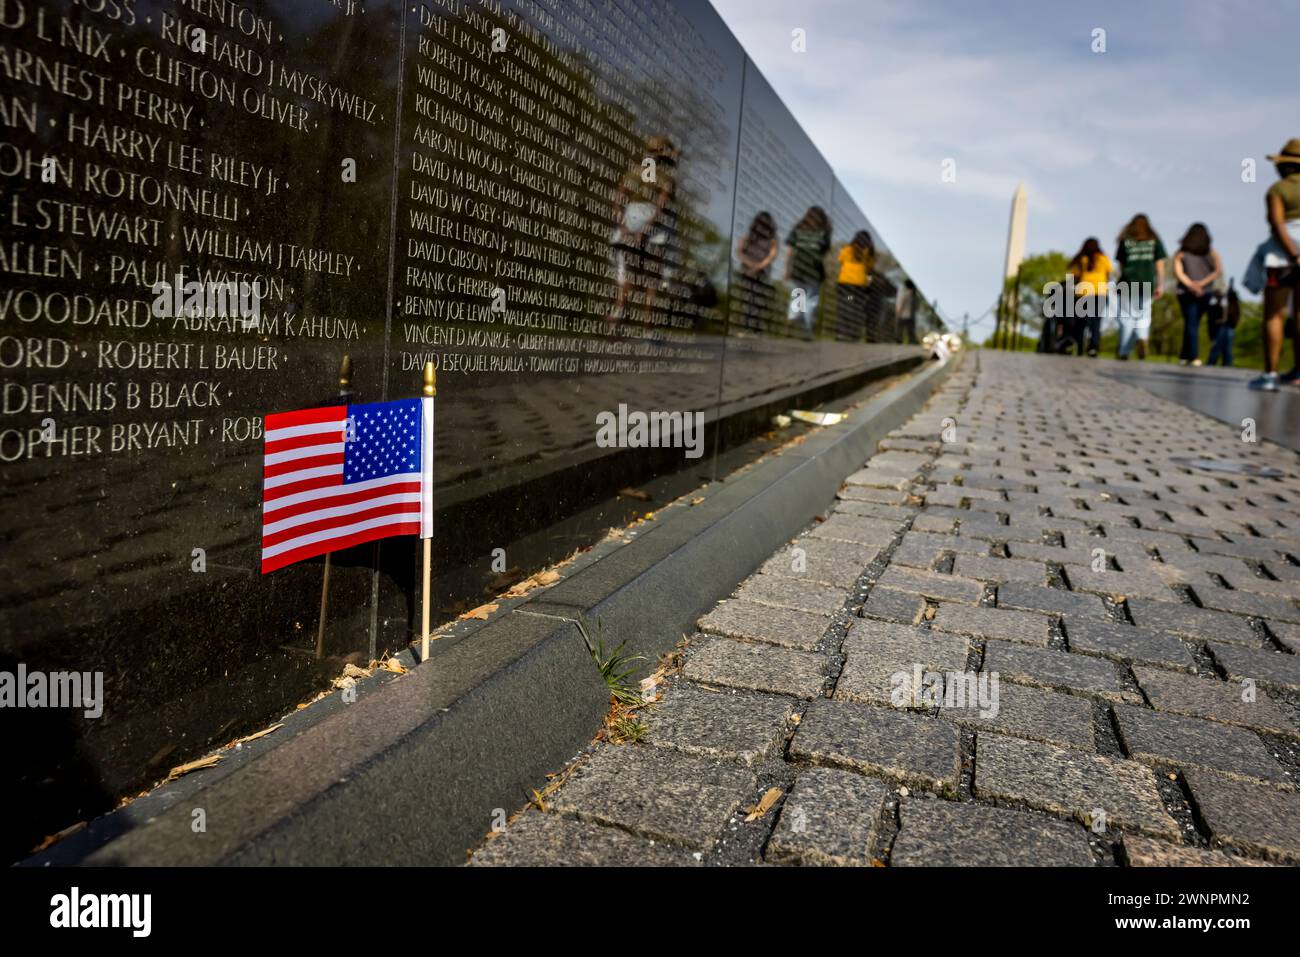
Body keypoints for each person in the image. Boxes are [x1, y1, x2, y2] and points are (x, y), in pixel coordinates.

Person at [1248, 139, 1300, 391]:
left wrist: (1294, 255)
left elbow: (1277, 224)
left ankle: (1270, 374)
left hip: (1282, 258)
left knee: (1274, 315)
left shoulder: (1277, 190)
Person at [608, 135, 676, 323]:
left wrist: (623, 225)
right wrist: (648, 226)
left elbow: (617, 201)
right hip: (656, 224)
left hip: (631, 218)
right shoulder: (666, 177)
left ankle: (619, 311)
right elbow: (662, 204)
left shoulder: (634, 172)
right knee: (653, 275)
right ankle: (648, 321)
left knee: (629, 270)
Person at [1113, 214, 1167, 360]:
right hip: (1147, 282)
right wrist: (1161, 285)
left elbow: (1121, 265)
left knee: (1126, 317)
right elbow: (1160, 265)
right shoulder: (1154, 241)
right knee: (1143, 314)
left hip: (1127, 282)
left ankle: (1124, 351)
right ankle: (1142, 337)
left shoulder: (1125, 242)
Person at [1172, 223, 1223, 367]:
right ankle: (1192, 355)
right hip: (1204, 292)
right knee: (1193, 322)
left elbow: (1178, 272)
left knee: (1190, 322)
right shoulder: (1212, 252)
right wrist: (1201, 284)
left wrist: (1190, 284)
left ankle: (1187, 355)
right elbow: (1217, 271)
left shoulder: (1181, 252)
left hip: (1185, 292)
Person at [783, 206, 831, 340]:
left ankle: (792, 317)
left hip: (798, 268)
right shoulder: (823, 233)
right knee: (811, 301)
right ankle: (807, 332)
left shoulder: (798, 230)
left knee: (798, 296)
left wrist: (786, 269)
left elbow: (789, 251)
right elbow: (824, 253)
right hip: (814, 270)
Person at [734, 211, 779, 333]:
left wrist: (755, 265)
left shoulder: (770, 239)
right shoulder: (749, 237)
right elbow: (739, 251)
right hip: (752, 271)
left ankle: (752, 327)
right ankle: (749, 327)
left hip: (758, 271)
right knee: (751, 299)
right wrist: (755, 265)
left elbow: (772, 255)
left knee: (753, 298)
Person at [1067, 237, 1112, 356]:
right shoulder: (1103, 258)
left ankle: (1080, 347)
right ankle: (1093, 347)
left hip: (1084, 293)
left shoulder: (1082, 259)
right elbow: (1108, 275)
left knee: (1082, 322)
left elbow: (1074, 277)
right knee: (1096, 322)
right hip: (1101, 293)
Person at [835, 230, 875, 340]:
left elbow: (841, 261)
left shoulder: (847, 249)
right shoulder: (868, 253)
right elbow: (869, 270)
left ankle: (841, 333)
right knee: (856, 309)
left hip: (845, 285)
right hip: (859, 286)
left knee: (844, 305)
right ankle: (853, 333)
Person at [1207, 278, 1240, 367]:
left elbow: (1235, 311)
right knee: (1217, 345)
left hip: (1229, 325)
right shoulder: (1215, 299)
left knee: (1227, 347)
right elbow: (1211, 312)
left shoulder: (1231, 298)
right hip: (1219, 325)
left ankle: (1227, 364)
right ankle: (1212, 362)